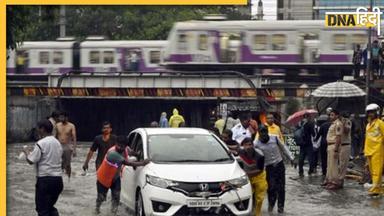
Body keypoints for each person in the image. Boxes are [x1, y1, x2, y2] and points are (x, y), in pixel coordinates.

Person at [96, 136, 150, 214]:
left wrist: (138, 154)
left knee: (116, 196)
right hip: (103, 178)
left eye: (122, 146)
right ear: (115, 143)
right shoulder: (112, 153)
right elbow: (129, 163)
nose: (120, 147)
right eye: (118, 145)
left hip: (115, 178)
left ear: (125, 146)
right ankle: (97, 210)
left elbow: (131, 152)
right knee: (101, 198)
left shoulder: (126, 149)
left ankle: (113, 212)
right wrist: (143, 163)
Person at [23, 120, 63, 216]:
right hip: (58, 181)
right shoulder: (57, 143)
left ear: (43, 129)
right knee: (50, 208)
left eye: (38, 128)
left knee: (42, 210)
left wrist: (26, 151)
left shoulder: (41, 143)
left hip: (45, 181)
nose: (37, 130)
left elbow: (31, 161)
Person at [254, 126, 294, 214]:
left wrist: (291, 158)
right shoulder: (256, 143)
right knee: (271, 188)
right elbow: (251, 153)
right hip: (268, 168)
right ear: (259, 133)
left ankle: (280, 209)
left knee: (281, 188)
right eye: (261, 132)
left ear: (267, 132)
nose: (263, 134)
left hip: (279, 164)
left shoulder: (275, 138)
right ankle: (271, 206)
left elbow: (283, 148)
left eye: (265, 132)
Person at [238, 137, 267, 216]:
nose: (248, 147)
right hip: (248, 176)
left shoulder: (260, 156)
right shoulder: (241, 152)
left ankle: (257, 214)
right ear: (243, 146)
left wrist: (247, 174)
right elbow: (235, 149)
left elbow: (260, 170)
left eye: (250, 145)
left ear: (253, 145)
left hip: (259, 177)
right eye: (246, 145)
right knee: (245, 195)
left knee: (259, 198)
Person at [364, 104, 384, 196]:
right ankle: (379, 188)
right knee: (372, 171)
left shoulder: (380, 123)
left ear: (376, 112)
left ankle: (375, 189)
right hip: (369, 150)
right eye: (369, 112)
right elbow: (367, 138)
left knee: (377, 171)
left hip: (378, 150)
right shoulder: (368, 124)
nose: (370, 114)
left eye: (372, 112)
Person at [324, 109, 344, 190]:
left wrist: (336, 150)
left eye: (332, 115)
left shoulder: (338, 124)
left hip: (334, 146)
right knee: (329, 165)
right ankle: (330, 181)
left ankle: (335, 182)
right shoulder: (332, 124)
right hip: (330, 145)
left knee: (334, 165)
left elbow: (338, 137)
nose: (330, 116)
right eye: (330, 115)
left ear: (337, 115)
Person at [56, 111, 77, 179]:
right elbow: (54, 137)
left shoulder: (71, 126)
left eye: (62, 117)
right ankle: (60, 177)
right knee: (59, 163)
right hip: (59, 146)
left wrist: (74, 150)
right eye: (60, 117)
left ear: (66, 117)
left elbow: (74, 138)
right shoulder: (57, 125)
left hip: (67, 146)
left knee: (67, 164)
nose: (60, 118)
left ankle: (69, 178)